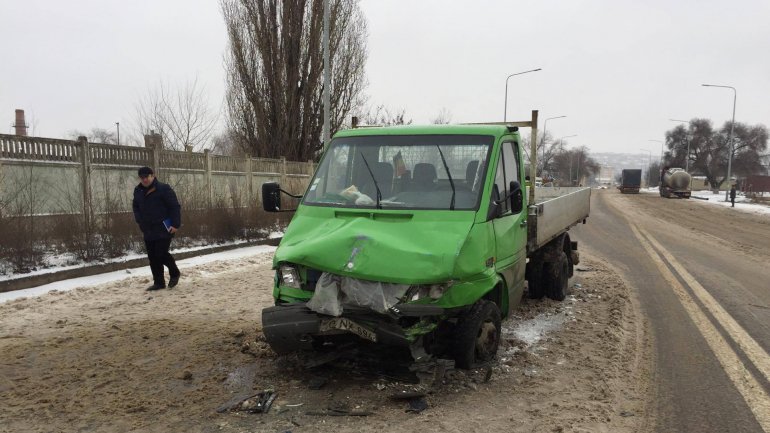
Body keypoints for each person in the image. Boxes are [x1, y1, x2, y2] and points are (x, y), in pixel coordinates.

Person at [133, 166, 181, 291]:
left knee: (161, 253)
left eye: (147, 177)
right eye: (142, 177)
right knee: (152, 257)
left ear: (152, 176)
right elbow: (136, 206)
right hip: (148, 228)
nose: (144, 180)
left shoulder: (163, 189)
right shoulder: (138, 191)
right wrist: (139, 220)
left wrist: (175, 224)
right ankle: (159, 282)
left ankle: (175, 273)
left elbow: (174, 206)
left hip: (164, 227)